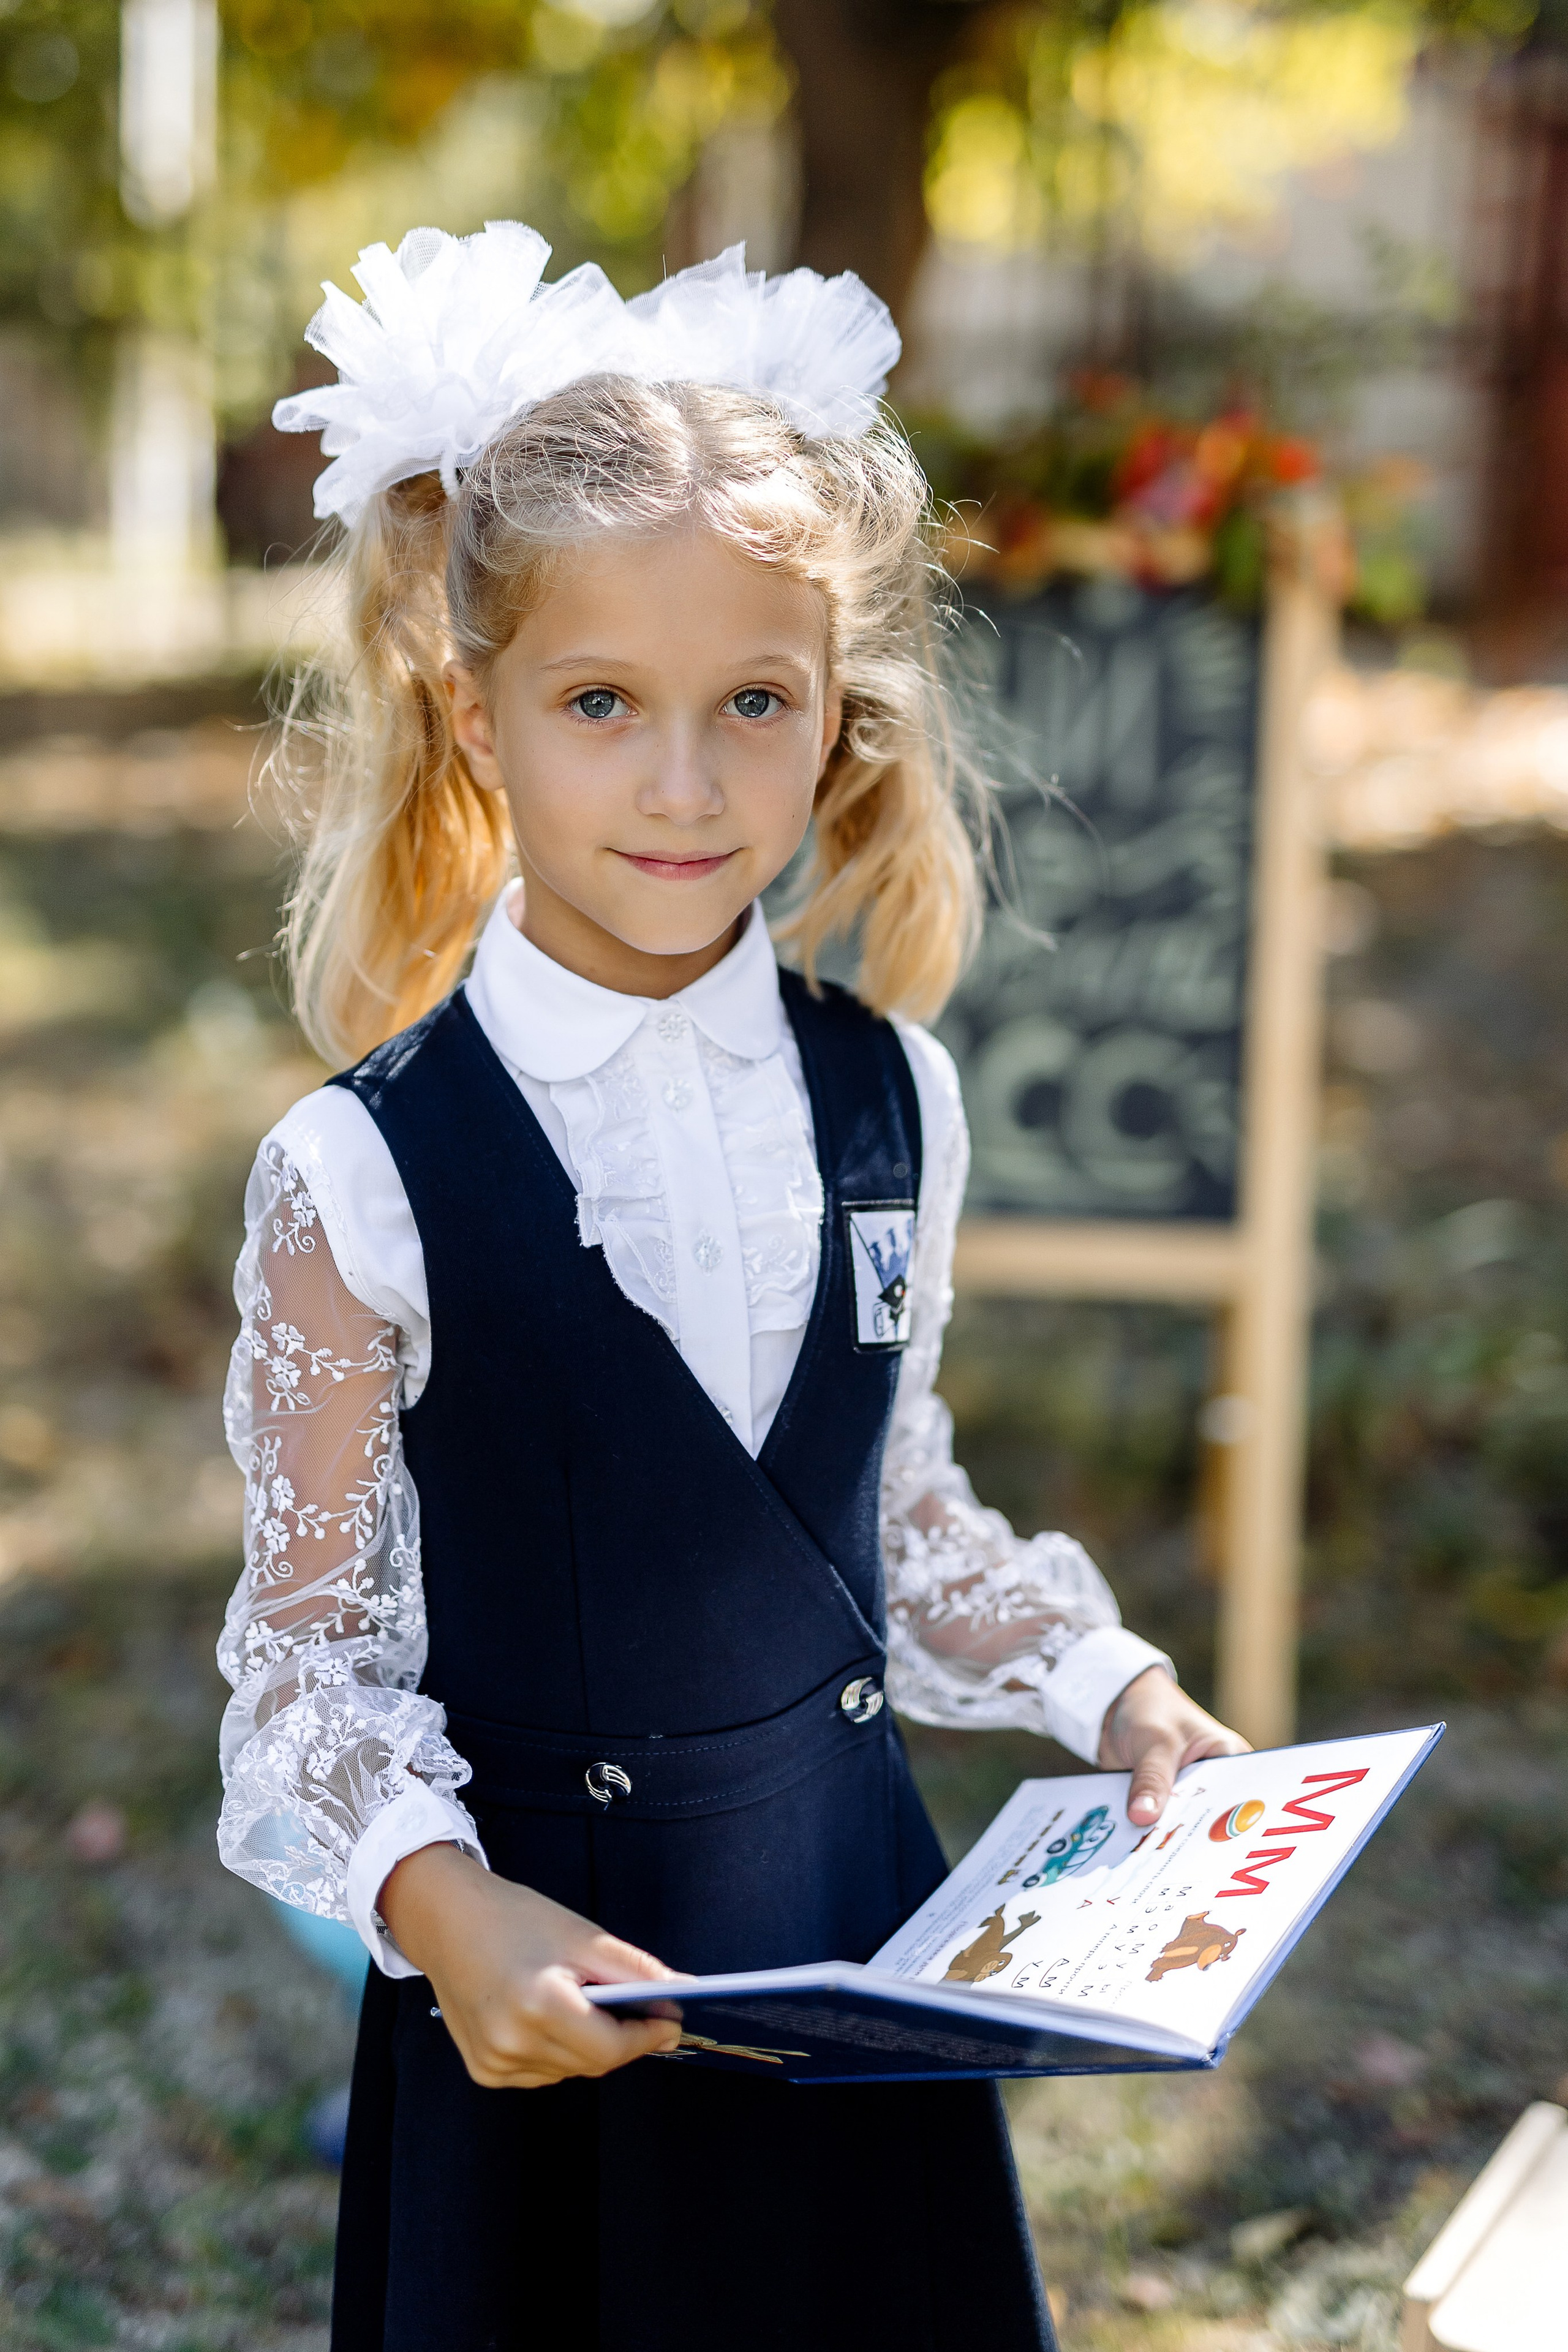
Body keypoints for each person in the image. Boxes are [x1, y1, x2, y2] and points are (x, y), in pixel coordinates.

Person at [215, 224, 1248, 2352]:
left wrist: (1107, 1687)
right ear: (475, 712)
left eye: (753, 705)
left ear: (834, 716)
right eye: (603, 704)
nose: (684, 786)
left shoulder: (899, 1101)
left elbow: (883, 1511)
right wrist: (444, 1906)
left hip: (855, 1964)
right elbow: (302, 1673)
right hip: (551, 2003)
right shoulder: (361, 1174)